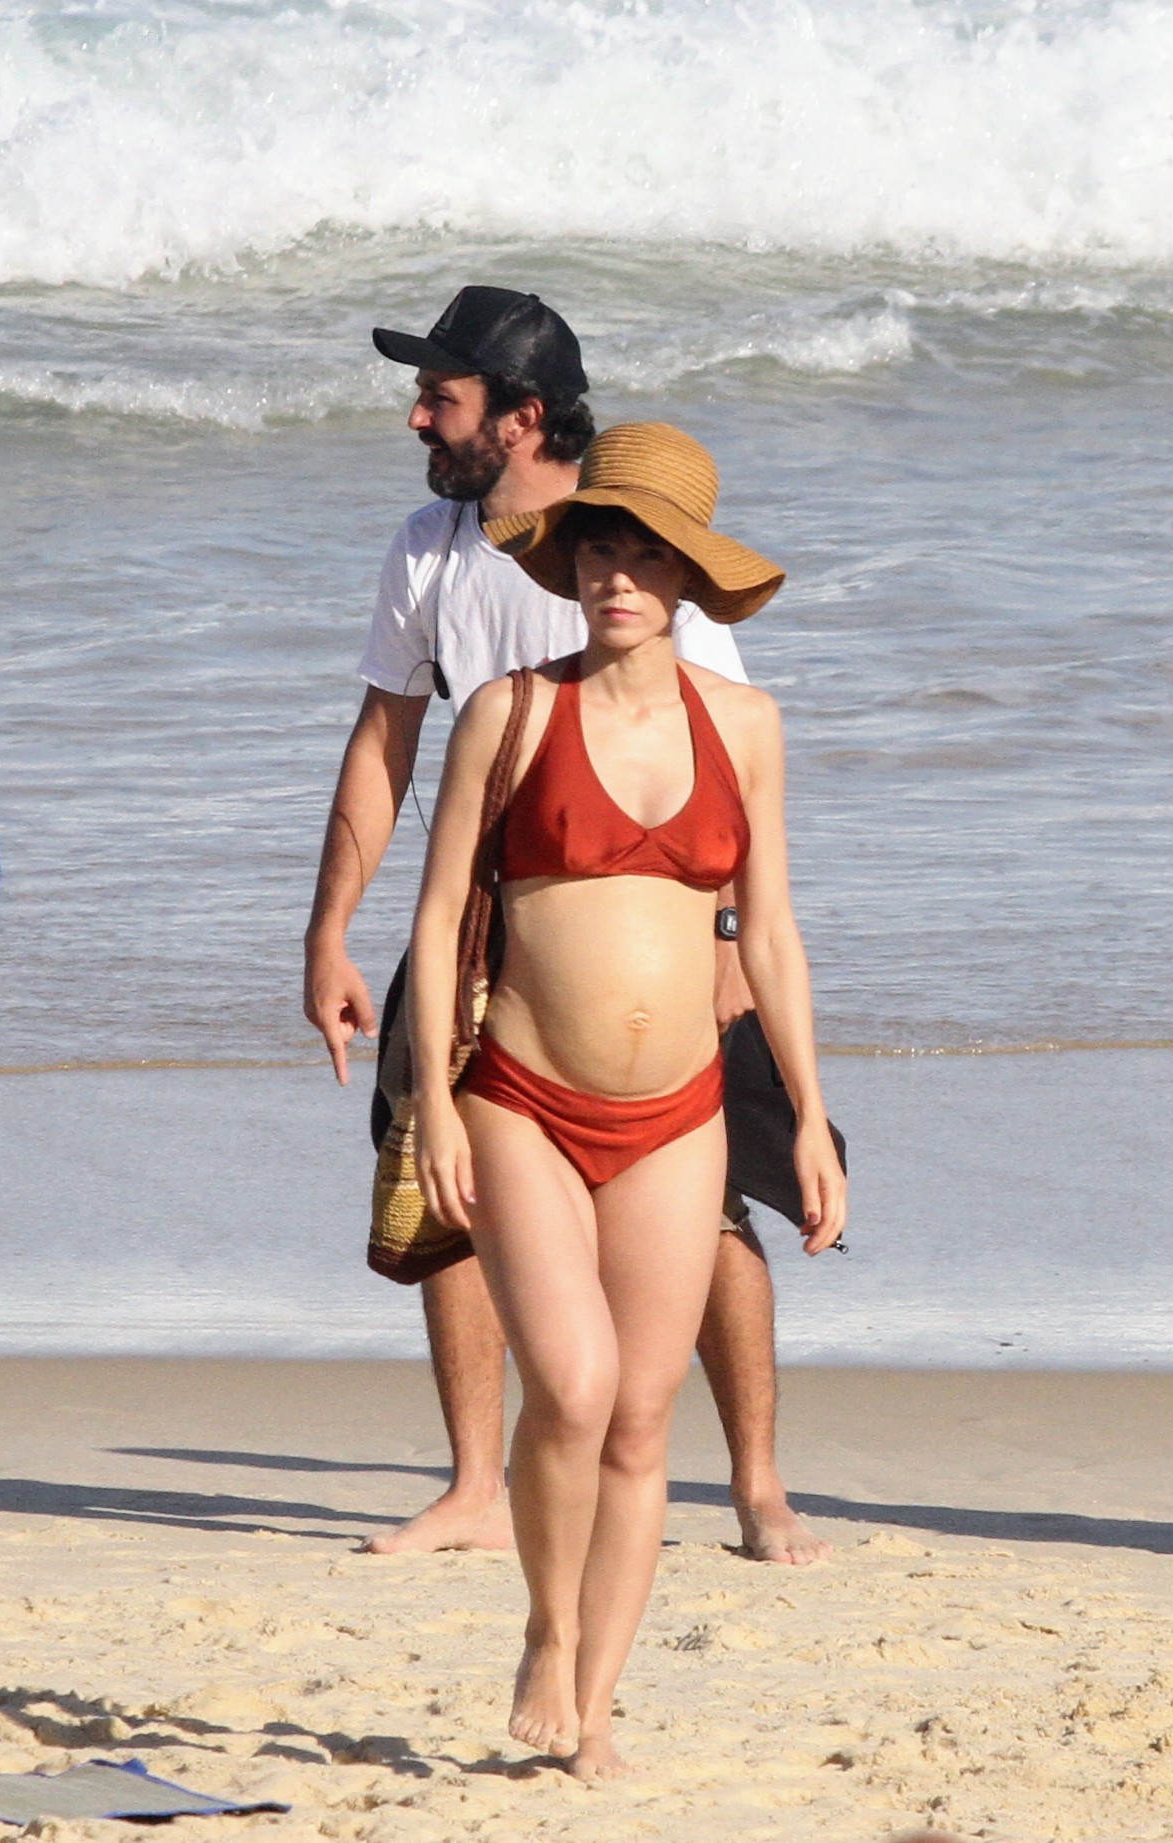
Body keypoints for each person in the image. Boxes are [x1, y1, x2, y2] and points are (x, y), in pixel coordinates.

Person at [303, 287, 830, 1565]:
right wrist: (329, 932)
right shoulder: (426, 547)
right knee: (446, 1192)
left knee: (715, 1208)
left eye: (443, 396)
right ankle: (476, 1482)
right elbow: (384, 741)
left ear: (521, 416)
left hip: (659, 921)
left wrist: (717, 950)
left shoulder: (636, 544)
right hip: (477, 920)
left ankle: (756, 1481)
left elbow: (720, 762)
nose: (418, 416)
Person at [410, 422, 846, 1775]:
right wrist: (432, 1098)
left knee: (647, 1413)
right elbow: (435, 924)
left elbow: (769, 932)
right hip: (525, 1099)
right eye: (601, 546)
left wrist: (814, 1116)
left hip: (681, 1111)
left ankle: (593, 1708)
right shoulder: (512, 710)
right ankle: (547, 1625)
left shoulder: (749, 726)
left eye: (646, 553)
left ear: (689, 578)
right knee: (579, 1385)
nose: (616, 574)